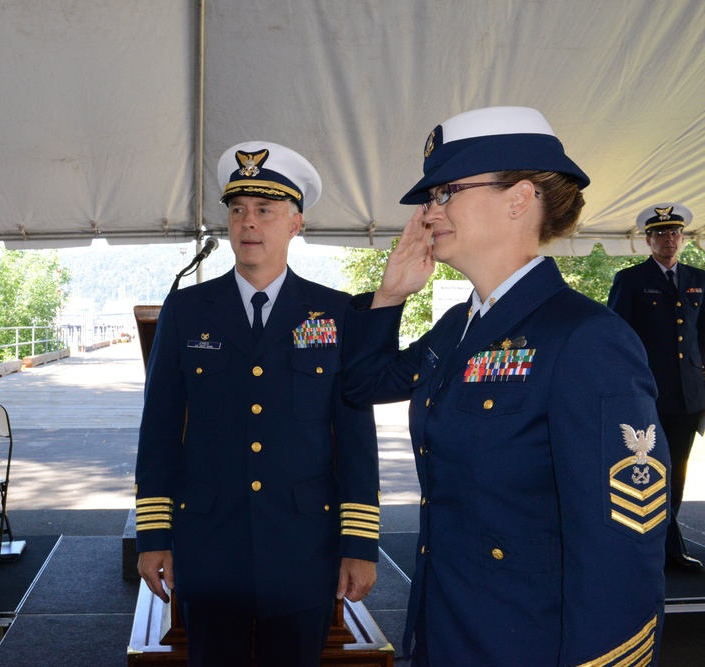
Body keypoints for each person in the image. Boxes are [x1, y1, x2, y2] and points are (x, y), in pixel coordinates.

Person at [343, 107, 668, 665]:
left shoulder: (586, 338)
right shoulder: (458, 326)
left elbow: (622, 545)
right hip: (446, 630)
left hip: (530, 643)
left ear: (519, 199)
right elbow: (363, 384)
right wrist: (390, 297)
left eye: (446, 191)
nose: (428, 212)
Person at [134, 141, 379, 666]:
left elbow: (356, 436)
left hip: (302, 546)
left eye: (265, 210)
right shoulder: (187, 309)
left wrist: (358, 542)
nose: (249, 223)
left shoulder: (335, 313)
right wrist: (153, 533)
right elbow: (158, 429)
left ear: (295, 224)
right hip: (208, 542)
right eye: (238, 209)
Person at [608, 203, 705, 572]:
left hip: (688, 395)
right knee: (645, 470)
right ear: (647, 241)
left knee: (677, 470)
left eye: (675, 233)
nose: (669, 240)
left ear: (683, 238)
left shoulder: (699, 278)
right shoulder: (631, 280)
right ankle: (645, 547)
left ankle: (668, 548)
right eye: (661, 234)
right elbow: (616, 337)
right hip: (647, 394)